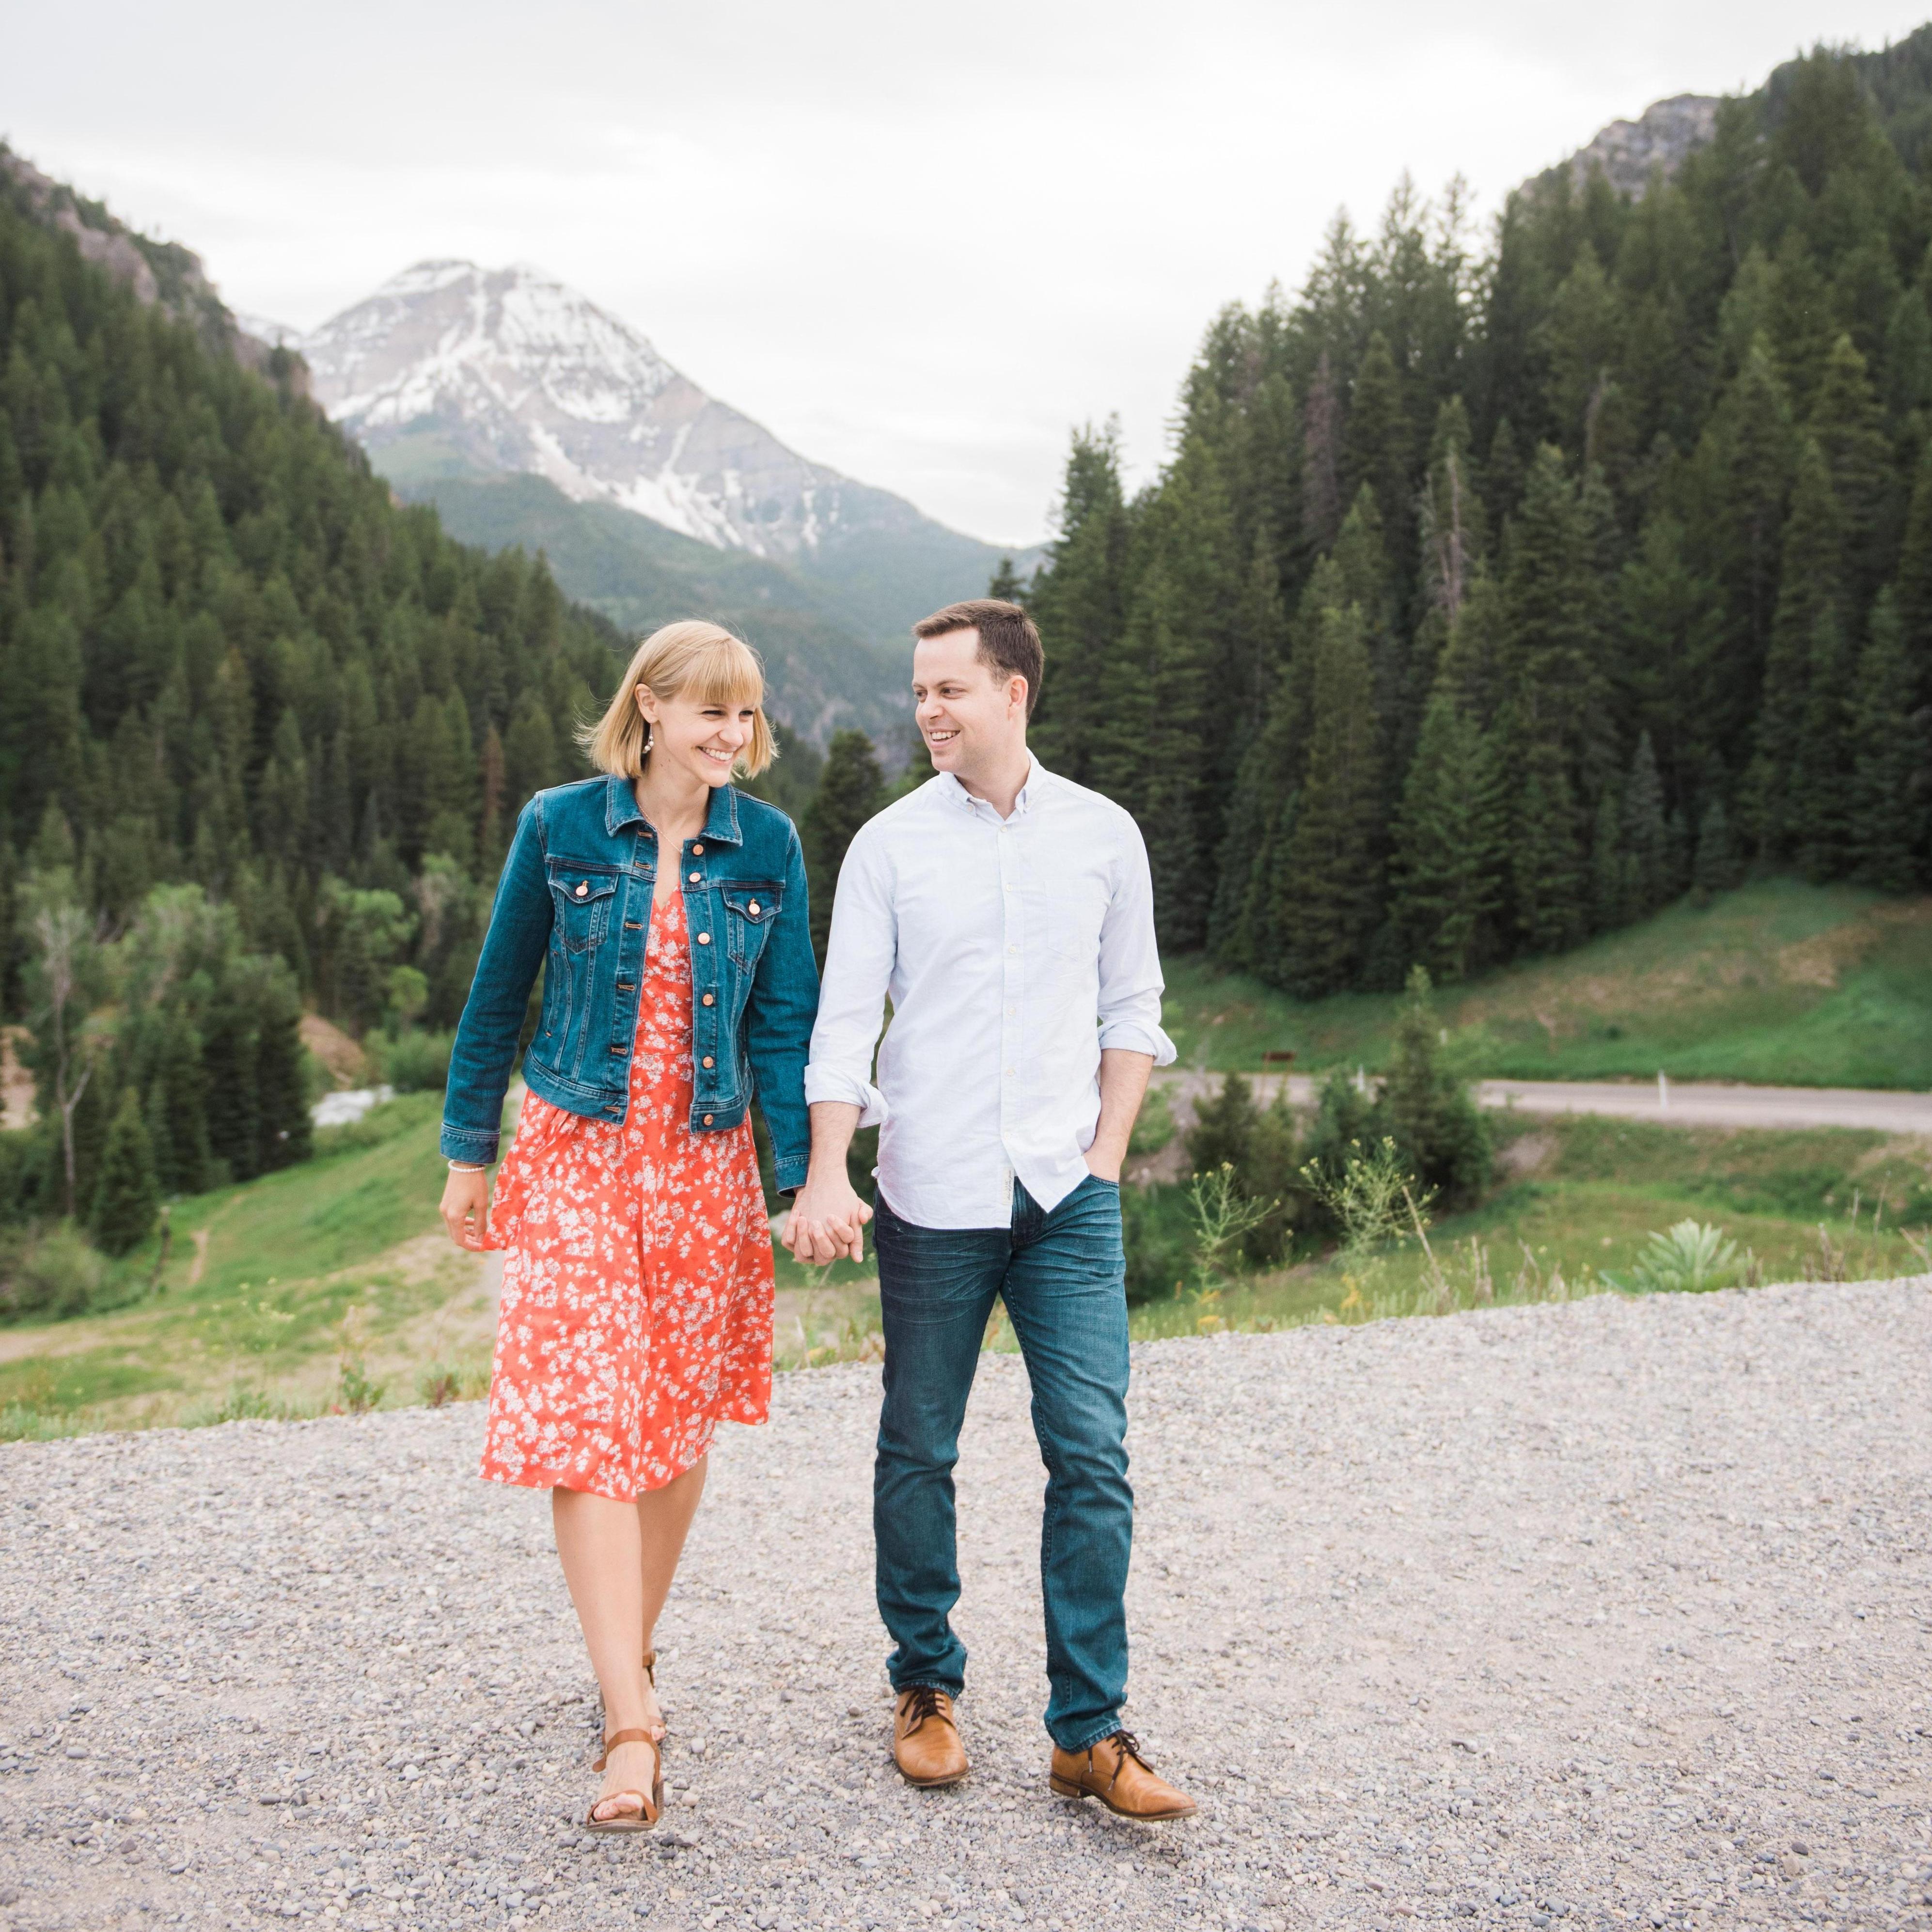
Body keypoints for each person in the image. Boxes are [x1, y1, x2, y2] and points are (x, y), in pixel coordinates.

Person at [787, 598, 1196, 1820]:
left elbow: (1134, 1005)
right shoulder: (890, 845)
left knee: (1093, 1452)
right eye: (916, 691)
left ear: (1013, 691)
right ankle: (924, 1685)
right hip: (932, 1193)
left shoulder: (1102, 834)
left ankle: (1088, 1730)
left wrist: (1108, 1156)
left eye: (948, 689)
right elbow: (845, 1022)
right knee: (918, 1446)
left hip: (1068, 1195)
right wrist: (824, 1173)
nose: (926, 711)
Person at [438, 621, 816, 1832]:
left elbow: (784, 1026)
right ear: (648, 707)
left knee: (674, 1417)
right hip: (576, 1152)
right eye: (712, 711)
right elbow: (498, 992)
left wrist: (802, 1178)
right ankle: (629, 1721)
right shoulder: (560, 824)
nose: (733, 736)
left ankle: (625, 1652)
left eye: (746, 715)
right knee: (587, 1420)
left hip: (705, 1164)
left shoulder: (768, 844)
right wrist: (466, 1154)